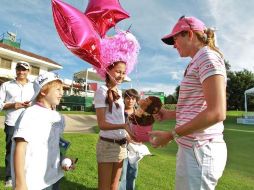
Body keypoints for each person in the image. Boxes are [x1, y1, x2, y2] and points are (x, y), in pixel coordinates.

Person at [149, 16, 227, 190]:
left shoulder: (208, 57)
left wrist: (171, 135)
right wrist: (168, 114)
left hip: (200, 149)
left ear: (190, 34)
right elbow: (197, 108)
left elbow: (217, 112)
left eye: (175, 39)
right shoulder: (198, 60)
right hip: (192, 149)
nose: (174, 45)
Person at [94, 30, 140, 190]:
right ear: (107, 69)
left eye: (123, 72)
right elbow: (102, 124)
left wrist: (130, 137)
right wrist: (123, 126)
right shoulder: (101, 90)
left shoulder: (120, 92)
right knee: (104, 187)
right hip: (107, 145)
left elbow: (119, 122)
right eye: (118, 71)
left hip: (121, 146)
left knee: (115, 186)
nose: (121, 75)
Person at [12, 72, 72, 189]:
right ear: (43, 91)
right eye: (57, 89)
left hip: (53, 177)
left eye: (62, 89)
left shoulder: (57, 117)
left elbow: (54, 144)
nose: (62, 93)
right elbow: (20, 147)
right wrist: (20, 184)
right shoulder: (30, 114)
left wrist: (63, 159)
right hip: (33, 181)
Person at [0, 61, 34, 187]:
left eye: (24, 70)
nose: (21, 72)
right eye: (19, 69)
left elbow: (38, 102)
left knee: (29, 149)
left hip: (29, 122)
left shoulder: (34, 86)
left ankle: (24, 174)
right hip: (12, 122)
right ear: (16, 70)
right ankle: (9, 177)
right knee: (11, 150)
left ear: (28, 71)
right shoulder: (6, 85)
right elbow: (1, 104)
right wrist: (14, 105)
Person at [119, 89, 140, 190]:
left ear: (136, 100)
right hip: (121, 145)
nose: (130, 100)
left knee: (132, 171)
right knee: (121, 172)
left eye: (133, 98)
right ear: (124, 99)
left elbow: (142, 131)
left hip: (134, 147)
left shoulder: (139, 114)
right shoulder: (119, 112)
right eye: (128, 98)